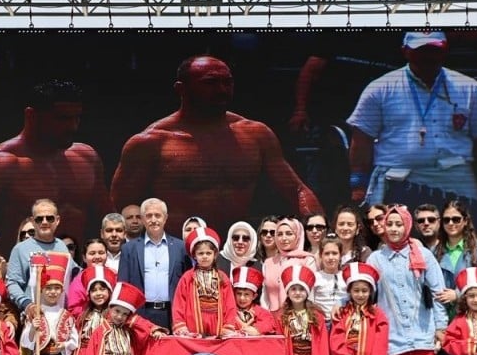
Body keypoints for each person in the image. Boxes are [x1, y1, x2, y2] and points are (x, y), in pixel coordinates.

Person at [111, 55, 323, 231]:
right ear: (181, 89)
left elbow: (296, 191)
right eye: (210, 83)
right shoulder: (152, 142)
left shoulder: (255, 135)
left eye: (227, 82)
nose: (222, 90)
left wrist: (317, 230)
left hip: (237, 248)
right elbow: (121, 209)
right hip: (176, 252)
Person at [347, 31, 477, 213]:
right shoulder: (380, 88)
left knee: (465, 236)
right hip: (399, 179)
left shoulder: (469, 87)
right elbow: (361, 141)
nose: (428, 56)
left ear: (445, 51)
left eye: (433, 50)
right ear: (405, 51)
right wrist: (358, 187)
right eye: (421, 50)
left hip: (455, 179)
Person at [0, 79, 111, 248]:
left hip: (76, 269)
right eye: (62, 119)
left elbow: (111, 222)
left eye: (77, 118)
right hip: (19, 270)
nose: (72, 126)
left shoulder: (86, 158)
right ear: (31, 116)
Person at [368, 205, 447, 355]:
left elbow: (438, 293)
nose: (393, 229)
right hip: (392, 334)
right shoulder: (376, 259)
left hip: (422, 330)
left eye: (398, 224)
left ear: (407, 226)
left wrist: (441, 327)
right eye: (389, 224)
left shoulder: (423, 254)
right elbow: (364, 294)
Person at [116, 198, 190, 329]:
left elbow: (187, 284)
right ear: (143, 219)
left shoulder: (180, 247)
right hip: (140, 314)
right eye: (149, 216)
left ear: (165, 218)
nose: (154, 220)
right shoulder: (129, 249)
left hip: (172, 314)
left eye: (158, 215)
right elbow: (123, 285)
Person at [6, 199, 74, 325]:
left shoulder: (62, 247)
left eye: (49, 218)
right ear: (32, 221)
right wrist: (27, 305)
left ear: (57, 220)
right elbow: (12, 284)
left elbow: (74, 275)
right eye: (39, 219)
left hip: (60, 320)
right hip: (33, 322)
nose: (44, 222)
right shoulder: (20, 249)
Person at [171, 228, 235, 338]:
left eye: (208, 253)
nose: (205, 256)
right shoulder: (187, 277)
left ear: (215, 255)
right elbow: (179, 303)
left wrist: (228, 325)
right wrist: (181, 325)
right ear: (194, 255)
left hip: (217, 325)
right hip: (193, 325)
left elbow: (230, 304)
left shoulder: (222, 277)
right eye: (201, 253)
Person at [261, 217, 318, 312]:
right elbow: (265, 297)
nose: (284, 238)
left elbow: (311, 294)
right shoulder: (268, 263)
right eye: (279, 234)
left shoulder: (307, 260)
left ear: (298, 235)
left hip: (299, 318)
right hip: (272, 319)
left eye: (289, 234)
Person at [230, 267, 280, 336]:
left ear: (254, 296)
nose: (242, 298)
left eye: (246, 294)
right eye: (239, 293)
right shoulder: (229, 311)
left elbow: (269, 323)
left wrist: (257, 329)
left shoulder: (261, 312)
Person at [312, 237, 348, 321]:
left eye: (334, 253)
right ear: (321, 255)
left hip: (343, 321)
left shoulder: (346, 276)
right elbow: (311, 302)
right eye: (327, 254)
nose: (331, 257)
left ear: (341, 255)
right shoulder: (315, 277)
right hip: (322, 322)